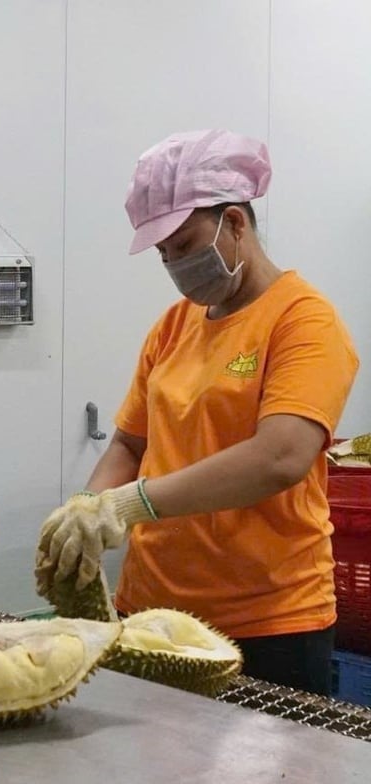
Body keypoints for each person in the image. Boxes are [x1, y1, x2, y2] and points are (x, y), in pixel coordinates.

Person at [35, 129, 359, 695]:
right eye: (163, 255)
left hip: (267, 621)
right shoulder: (175, 325)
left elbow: (280, 456)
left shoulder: (304, 321)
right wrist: (89, 505)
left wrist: (129, 504)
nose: (174, 265)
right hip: (151, 612)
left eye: (183, 246)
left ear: (235, 223)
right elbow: (129, 443)